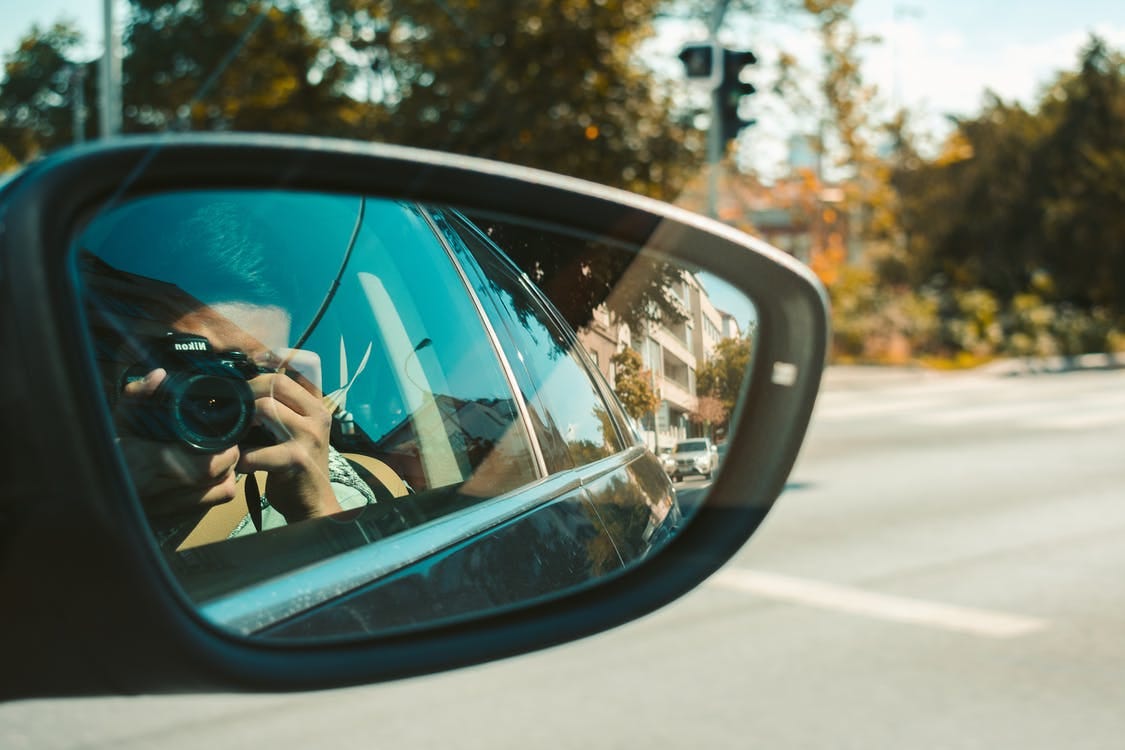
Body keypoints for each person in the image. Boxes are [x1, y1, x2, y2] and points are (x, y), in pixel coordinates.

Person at [83, 197, 375, 550]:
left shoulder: (303, 479)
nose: (213, 393)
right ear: (98, 354)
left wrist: (314, 507)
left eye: (245, 370)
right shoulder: (44, 458)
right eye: (182, 363)